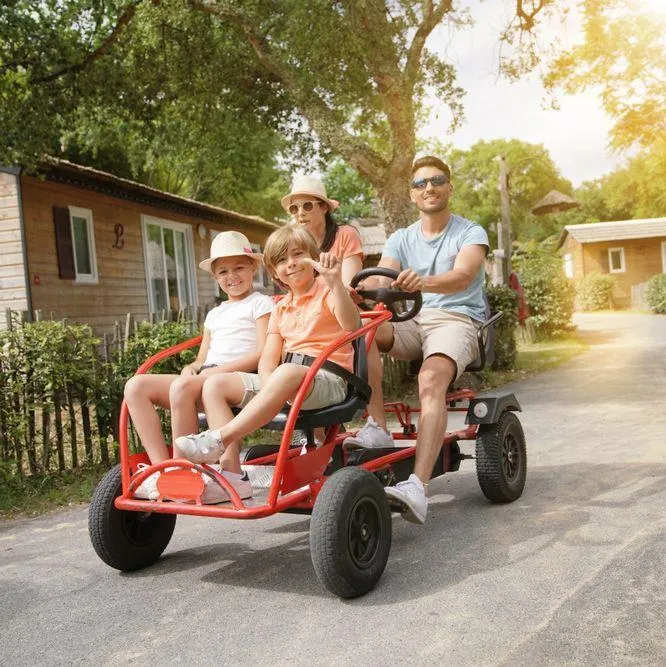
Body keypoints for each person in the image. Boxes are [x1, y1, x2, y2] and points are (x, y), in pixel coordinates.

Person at [175, 225, 361, 492]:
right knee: (215, 385)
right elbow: (267, 359)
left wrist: (335, 283)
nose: (292, 264)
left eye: (298, 255)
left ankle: (218, 438)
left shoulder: (328, 291)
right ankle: (232, 476)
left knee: (286, 371)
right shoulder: (280, 308)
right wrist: (267, 385)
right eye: (282, 261)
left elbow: (352, 325)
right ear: (274, 272)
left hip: (329, 379)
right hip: (288, 381)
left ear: (314, 257)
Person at [363, 155, 489, 525]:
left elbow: (463, 276)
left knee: (430, 379)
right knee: (363, 331)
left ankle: (417, 487)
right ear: (412, 194)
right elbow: (381, 278)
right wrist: (360, 288)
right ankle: (376, 430)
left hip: (456, 319)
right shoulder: (402, 237)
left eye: (436, 181)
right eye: (420, 184)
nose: (429, 188)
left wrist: (424, 281)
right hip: (411, 320)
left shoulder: (470, 232)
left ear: (449, 187)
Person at [123, 231, 274, 500]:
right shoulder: (215, 314)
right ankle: (164, 470)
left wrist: (212, 372)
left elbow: (263, 351)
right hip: (205, 377)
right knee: (136, 386)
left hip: (237, 379)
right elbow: (202, 358)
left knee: (184, 387)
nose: (232, 276)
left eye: (239, 267)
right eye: (223, 271)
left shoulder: (261, 303)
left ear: (253, 267)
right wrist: (192, 368)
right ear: (215, 277)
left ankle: (186, 469)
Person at [281, 175, 393, 449]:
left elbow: (349, 283)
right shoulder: (294, 242)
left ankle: (378, 425)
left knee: (363, 340)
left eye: (307, 206)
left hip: (345, 309)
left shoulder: (344, 235)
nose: (300, 213)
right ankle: (313, 434)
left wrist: (324, 286)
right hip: (314, 312)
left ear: (324, 208)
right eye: (294, 209)